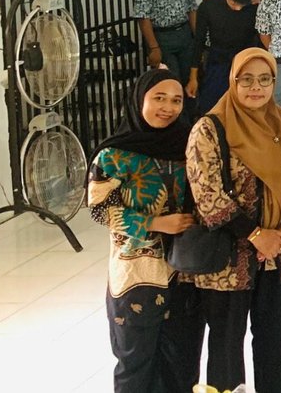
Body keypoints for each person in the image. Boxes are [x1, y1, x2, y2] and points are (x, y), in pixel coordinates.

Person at [186, 47, 281, 393]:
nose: (256, 88)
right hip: (228, 258)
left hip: (276, 253)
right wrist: (256, 235)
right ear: (232, 81)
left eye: (265, 79)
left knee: (275, 342)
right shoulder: (210, 129)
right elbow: (207, 196)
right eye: (247, 79)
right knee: (226, 345)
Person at [87, 69, 203, 393]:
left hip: (184, 271)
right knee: (135, 362)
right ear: (140, 100)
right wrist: (154, 223)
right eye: (159, 98)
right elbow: (99, 209)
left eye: (176, 100)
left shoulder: (189, 145)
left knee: (182, 363)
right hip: (135, 275)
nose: (168, 107)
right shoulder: (114, 154)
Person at [188, 0, 261, 122]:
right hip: (218, 59)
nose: (238, 8)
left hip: (246, 59)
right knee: (212, 105)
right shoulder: (208, 7)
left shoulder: (255, 6)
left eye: (243, 5)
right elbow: (199, 42)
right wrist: (193, 77)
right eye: (234, 3)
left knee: (246, 106)